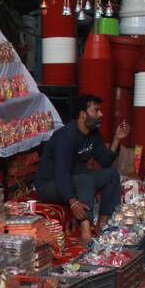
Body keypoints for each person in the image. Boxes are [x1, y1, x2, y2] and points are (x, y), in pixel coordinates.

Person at [34, 94, 129, 242]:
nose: (101, 115)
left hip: (75, 180)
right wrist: (73, 201)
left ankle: (102, 224)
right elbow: (61, 172)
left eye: (100, 111)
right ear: (83, 114)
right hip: (50, 185)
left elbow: (105, 161)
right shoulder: (66, 136)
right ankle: (86, 230)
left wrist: (116, 139)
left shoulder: (93, 134)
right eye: (96, 111)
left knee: (111, 174)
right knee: (84, 180)